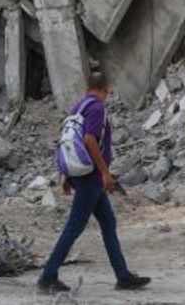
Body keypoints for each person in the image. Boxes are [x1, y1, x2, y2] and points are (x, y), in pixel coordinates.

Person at [38, 72, 151, 293]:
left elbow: (68, 143)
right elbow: (89, 139)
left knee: (108, 224)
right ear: (106, 89)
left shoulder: (78, 107)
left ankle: (123, 275)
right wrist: (105, 172)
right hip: (92, 179)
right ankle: (48, 275)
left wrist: (67, 176)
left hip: (84, 177)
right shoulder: (97, 108)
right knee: (74, 227)